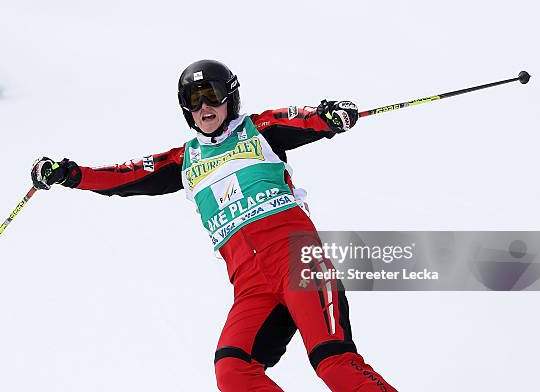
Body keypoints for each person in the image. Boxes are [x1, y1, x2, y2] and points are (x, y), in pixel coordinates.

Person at [31, 60, 397, 391]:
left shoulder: (259, 130)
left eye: (213, 95)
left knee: (333, 363)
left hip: (298, 263)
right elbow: (123, 177)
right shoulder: (184, 160)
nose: (205, 107)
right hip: (251, 287)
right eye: (194, 100)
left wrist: (329, 116)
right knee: (233, 371)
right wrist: (71, 175)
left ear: (230, 98)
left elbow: (302, 119)